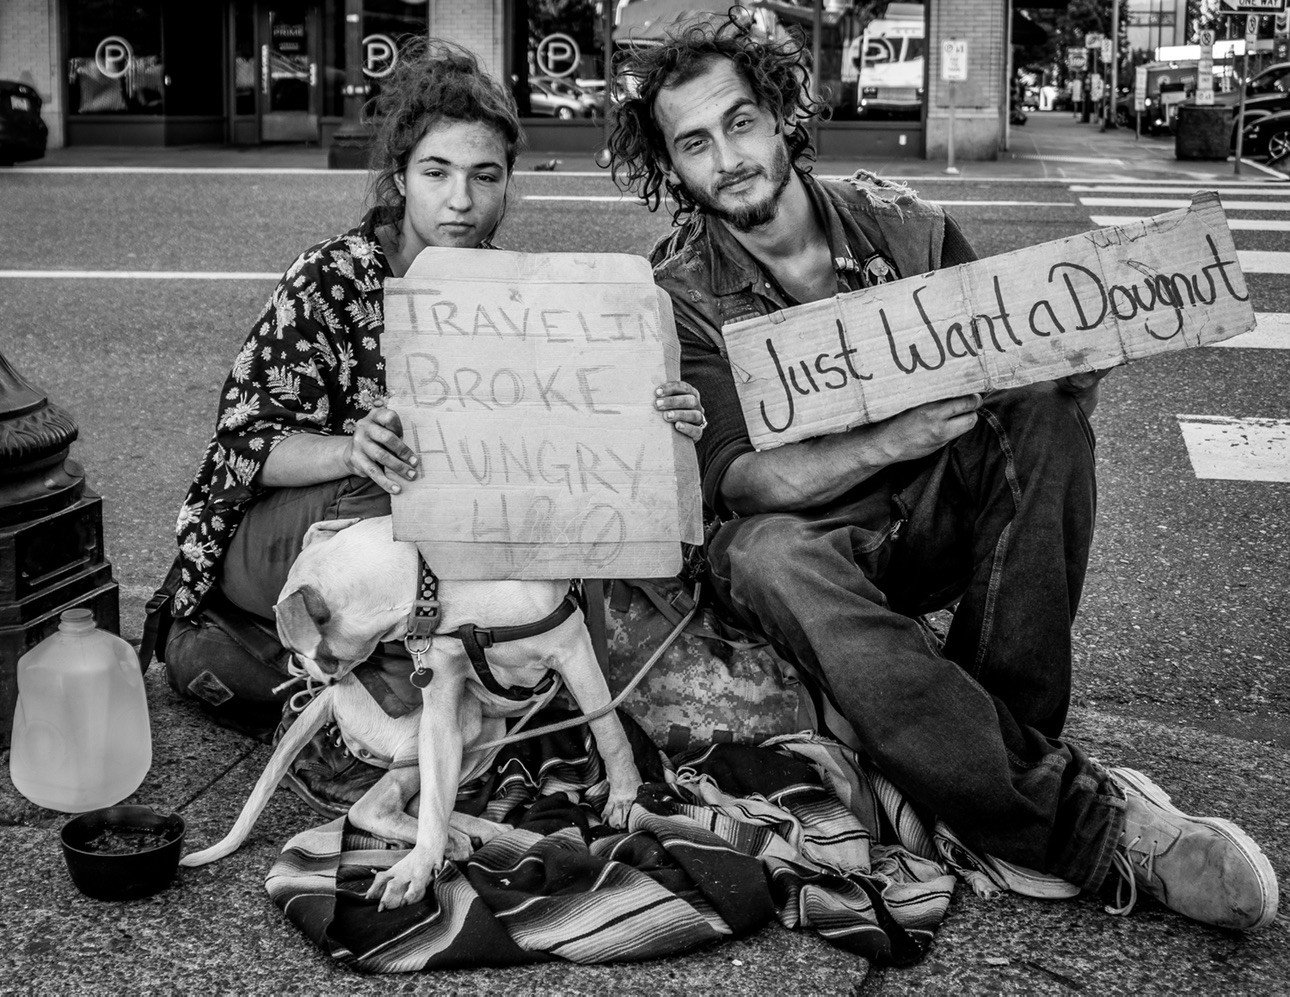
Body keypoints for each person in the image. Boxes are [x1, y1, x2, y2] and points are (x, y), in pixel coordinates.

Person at [605, 11, 1277, 931]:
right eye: (694, 144)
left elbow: (1010, 371)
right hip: (813, 553)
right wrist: (896, 435)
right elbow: (741, 481)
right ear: (672, 165)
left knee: (1044, 413)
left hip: (930, 518)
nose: (727, 158)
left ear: (780, 113)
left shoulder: (904, 224)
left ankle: (984, 760)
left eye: (740, 122)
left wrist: (1070, 370)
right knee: (762, 552)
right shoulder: (679, 292)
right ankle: (1083, 826)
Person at [143, 39, 705, 751]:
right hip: (280, 545)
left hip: (398, 550)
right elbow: (242, 445)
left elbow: (555, 436)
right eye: (436, 172)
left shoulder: (506, 290)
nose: (461, 200)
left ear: (507, 183)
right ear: (401, 178)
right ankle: (405, 667)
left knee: (520, 500)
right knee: (416, 473)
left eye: (484, 176)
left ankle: (428, 670)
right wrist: (352, 449)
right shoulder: (332, 277)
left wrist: (652, 420)